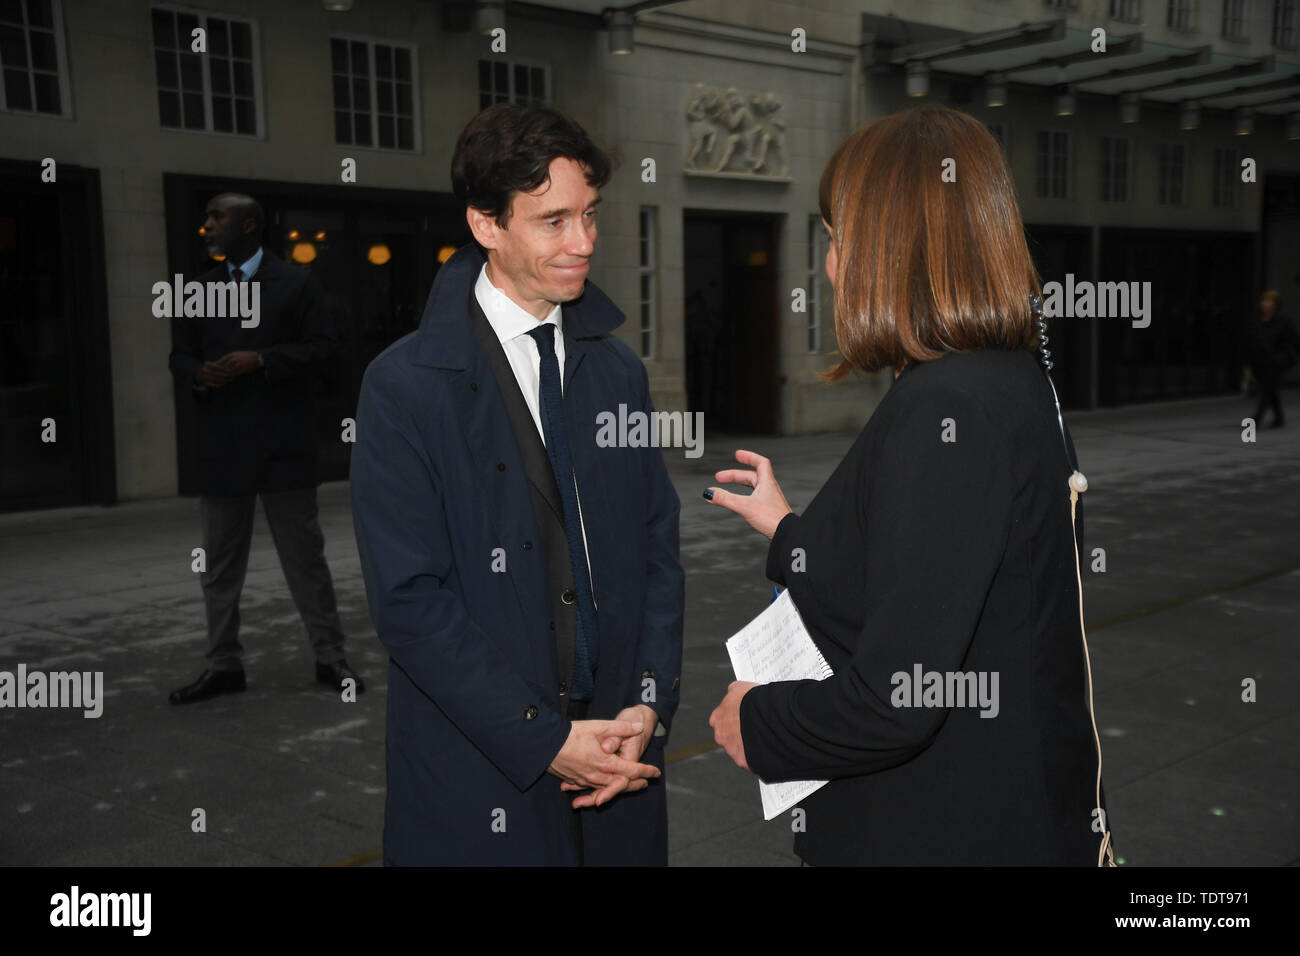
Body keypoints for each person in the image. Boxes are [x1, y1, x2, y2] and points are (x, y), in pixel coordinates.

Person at [705, 105, 1111, 865]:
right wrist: (790, 531)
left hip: (940, 826)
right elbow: (929, 584)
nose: (829, 267)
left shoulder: (945, 406)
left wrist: (756, 722)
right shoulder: (1008, 380)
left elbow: (900, 699)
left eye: (836, 240)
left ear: (888, 246)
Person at [349, 104, 684, 866]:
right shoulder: (403, 386)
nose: (584, 244)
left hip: (618, 754)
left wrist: (648, 702)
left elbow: (657, 550)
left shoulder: (620, 372)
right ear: (486, 224)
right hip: (481, 761)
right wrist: (543, 736)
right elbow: (408, 601)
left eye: (591, 216)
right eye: (554, 221)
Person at [167, 193, 364, 703]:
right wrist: (198, 373)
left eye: (217, 217)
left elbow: (325, 351)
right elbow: (179, 355)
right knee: (218, 567)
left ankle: (330, 657)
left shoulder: (296, 283)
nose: (207, 225)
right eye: (206, 216)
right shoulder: (198, 288)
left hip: (283, 449)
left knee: (305, 561)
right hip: (221, 448)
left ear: (249, 225)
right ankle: (223, 664)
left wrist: (263, 360)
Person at [1242, 289, 1299, 429]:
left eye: (1269, 301)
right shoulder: (1257, 320)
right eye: (1264, 301)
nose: (1266, 304)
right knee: (1270, 389)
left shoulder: (1284, 321)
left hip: (1277, 362)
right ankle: (1279, 417)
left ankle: (1256, 419)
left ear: (1275, 304)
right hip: (1259, 361)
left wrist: (1286, 357)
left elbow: (1294, 341)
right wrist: (1247, 364)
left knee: (1267, 390)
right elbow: (1249, 342)